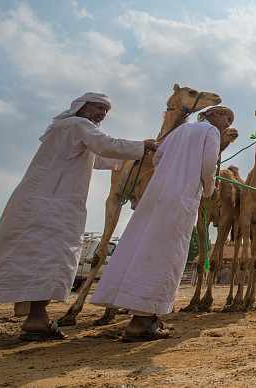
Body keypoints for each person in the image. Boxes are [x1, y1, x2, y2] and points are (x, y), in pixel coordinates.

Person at [0, 93, 158, 341]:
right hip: (51, 205)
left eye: (106, 110)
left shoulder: (68, 131)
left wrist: (140, 154)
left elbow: (101, 157)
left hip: (48, 203)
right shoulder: (76, 125)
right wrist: (142, 146)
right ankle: (37, 319)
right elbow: (106, 145)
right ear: (82, 107)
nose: (102, 114)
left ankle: (37, 318)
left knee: (39, 257)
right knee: (47, 256)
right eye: (99, 108)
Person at [90, 106, 233, 341]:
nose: (228, 123)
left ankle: (135, 310)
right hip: (181, 197)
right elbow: (209, 165)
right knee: (166, 253)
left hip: (156, 193)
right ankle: (143, 320)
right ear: (212, 114)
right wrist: (209, 189)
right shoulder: (211, 133)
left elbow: (157, 157)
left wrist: (175, 165)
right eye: (227, 117)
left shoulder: (180, 130)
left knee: (141, 244)